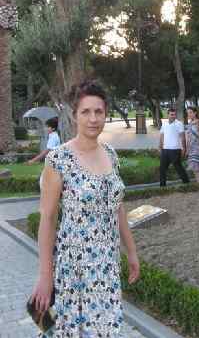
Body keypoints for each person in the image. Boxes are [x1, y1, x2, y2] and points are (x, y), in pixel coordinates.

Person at [30, 80, 140, 336]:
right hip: (74, 271)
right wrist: (46, 277)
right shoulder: (59, 159)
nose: (93, 119)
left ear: (105, 113)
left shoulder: (111, 154)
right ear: (74, 115)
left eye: (98, 112)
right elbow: (47, 219)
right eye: (86, 112)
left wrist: (131, 252)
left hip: (107, 267)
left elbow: (118, 207)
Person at [158, 107, 190, 187]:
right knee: (162, 169)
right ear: (167, 115)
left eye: (174, 115)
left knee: (178, 167)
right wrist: (160, 146)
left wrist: (184, 148)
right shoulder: (164, 124)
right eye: (171, 114)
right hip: (165, 150)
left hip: (175, 150)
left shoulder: (179, 123)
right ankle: (162, 186)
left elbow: (183, 137)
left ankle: (187, 183)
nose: (173, 116)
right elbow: (162, 135)